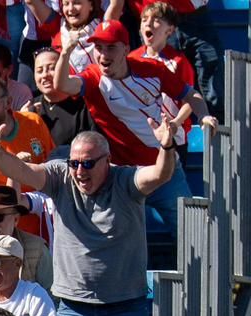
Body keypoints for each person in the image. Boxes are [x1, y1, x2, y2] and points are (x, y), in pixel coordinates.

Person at [0, 121, 180, 316]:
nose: (79, 171)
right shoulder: (61, 177)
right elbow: (23, 171)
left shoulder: (125, 180)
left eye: (87, 164)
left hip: (126, 311)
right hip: (74, 312)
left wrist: (166, 146)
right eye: (74, 163)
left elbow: (161, 173)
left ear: (107, 160)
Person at [49, 20, 213, 237]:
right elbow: (62, 85)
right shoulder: (92, 77)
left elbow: (189, 94)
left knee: (192, 234)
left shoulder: (152, 69)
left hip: (165, 169)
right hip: (124, 176)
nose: (103, 54)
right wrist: (66, 52)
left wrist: (204, 116)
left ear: (126, 49)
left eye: (111, 47)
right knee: (120, 240)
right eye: (98, 47)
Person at [27, 46, 94, 148]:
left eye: (52, 68)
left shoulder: (84, 107)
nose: (44, 75)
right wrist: (22, 121)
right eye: (39, 71)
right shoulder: (30, 107)